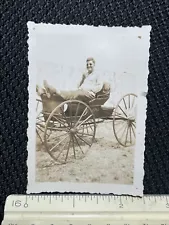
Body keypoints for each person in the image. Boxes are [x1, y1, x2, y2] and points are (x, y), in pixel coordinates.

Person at [36, 57, 111, 105]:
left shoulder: (98, 74)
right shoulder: (86, 75)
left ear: (94, 65)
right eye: (87, 64)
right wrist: (83, 77)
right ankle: (50, 92)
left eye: (90, 64)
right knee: (72, 92)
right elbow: (79, 85)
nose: (88, 66)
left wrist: (90, 90)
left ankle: (54, 91)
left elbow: (99, 86)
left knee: (75, 94)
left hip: (89, 94)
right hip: (82, 91)